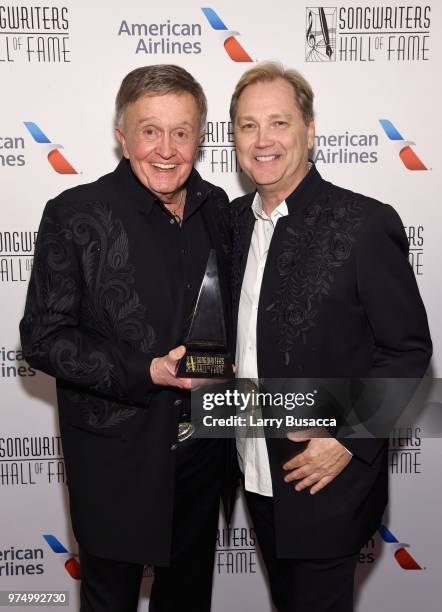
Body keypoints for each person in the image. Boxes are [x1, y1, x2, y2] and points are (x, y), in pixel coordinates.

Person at [20, 64, 231, 612]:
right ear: (122, 136)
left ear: (201, 137)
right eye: (150, 130)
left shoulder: (224, 215)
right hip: (116, 459)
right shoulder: (75, 214)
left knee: (187, 601)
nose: (166, 149)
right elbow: (43, 337)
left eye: (181, 132)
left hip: (203, 455)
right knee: (109, 600)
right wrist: (150, 370)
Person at [229, 62, 432, 611]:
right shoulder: (231, 225)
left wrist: (347, 438)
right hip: (254, 467)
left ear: (310, 131)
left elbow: (408, 349)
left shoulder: (363, 223)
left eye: (279, 122)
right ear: (233, 139)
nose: (263, 140)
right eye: (248, 126)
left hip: (326, 480)